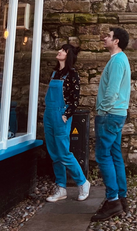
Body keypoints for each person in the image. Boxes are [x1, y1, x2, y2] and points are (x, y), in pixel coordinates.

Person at [90, 27, 131, 222]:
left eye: (109, 36)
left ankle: (113, 200)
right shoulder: (121, 59)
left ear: (116, 41)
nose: (104, 38)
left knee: (103, 155)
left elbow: (112, 91)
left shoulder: (117, 61)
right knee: (115, 155)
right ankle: (121, 198)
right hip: (117, 114)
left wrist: (103, 110)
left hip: (110, 115)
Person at [44, 43, 90, 203]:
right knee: (54, 153)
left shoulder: (72, 74)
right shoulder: (55, 73)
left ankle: (83, 182)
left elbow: (75, 99)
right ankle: (61, 188)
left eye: (63, 50)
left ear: (68, 55)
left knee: (64, 153)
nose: (59, 51)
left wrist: (66, 115)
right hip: (49, 114)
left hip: (61, 115)